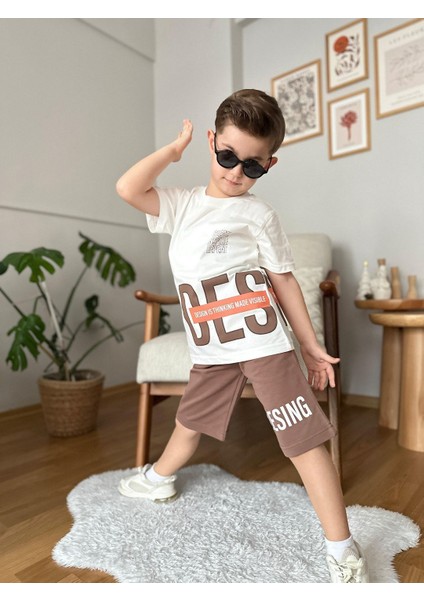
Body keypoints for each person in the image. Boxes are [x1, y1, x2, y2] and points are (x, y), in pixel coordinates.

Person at [116, 89, 369, 583]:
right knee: (190, 421)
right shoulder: (180, 205)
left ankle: (343, 547)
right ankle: (159, 478)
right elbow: (128, 187)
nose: (235, 172)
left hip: (263, 344)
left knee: (302, 441)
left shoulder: (259, 215)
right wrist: (172, 151)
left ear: (269, 165)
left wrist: (310, 346)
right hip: (211, 348)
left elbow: (284, 281)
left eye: (252, 165)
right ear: (212, 141)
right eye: (227, 155)